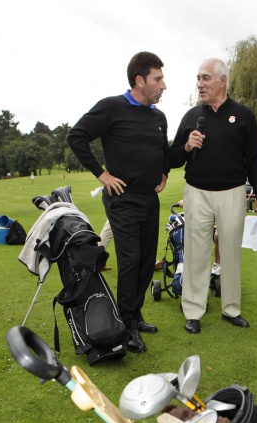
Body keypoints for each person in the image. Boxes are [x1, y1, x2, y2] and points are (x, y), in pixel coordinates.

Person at [67, 51, 169, 353]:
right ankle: (126, 325)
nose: (164, 85)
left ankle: (134, 314)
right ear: (140, 80)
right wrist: (102, 174)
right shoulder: (112, 107)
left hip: (149, 199)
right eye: (158, 79)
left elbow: (163, 152)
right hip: (122, 199)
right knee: (130, 260)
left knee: (146, 261)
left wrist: (164, 169)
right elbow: (77, 136)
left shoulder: (158, 117)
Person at [169, 57, 257, 334]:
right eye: (198, 78)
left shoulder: (244, 115)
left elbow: (255, 159)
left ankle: (231, 310)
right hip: (196, 192)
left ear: (222, 81)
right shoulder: (191, 117)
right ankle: (193, 310)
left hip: (233, 192)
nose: (200, 84)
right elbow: (173, 157)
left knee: (230, 253)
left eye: (205, 78)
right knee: (196, 252)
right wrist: (187, 147)